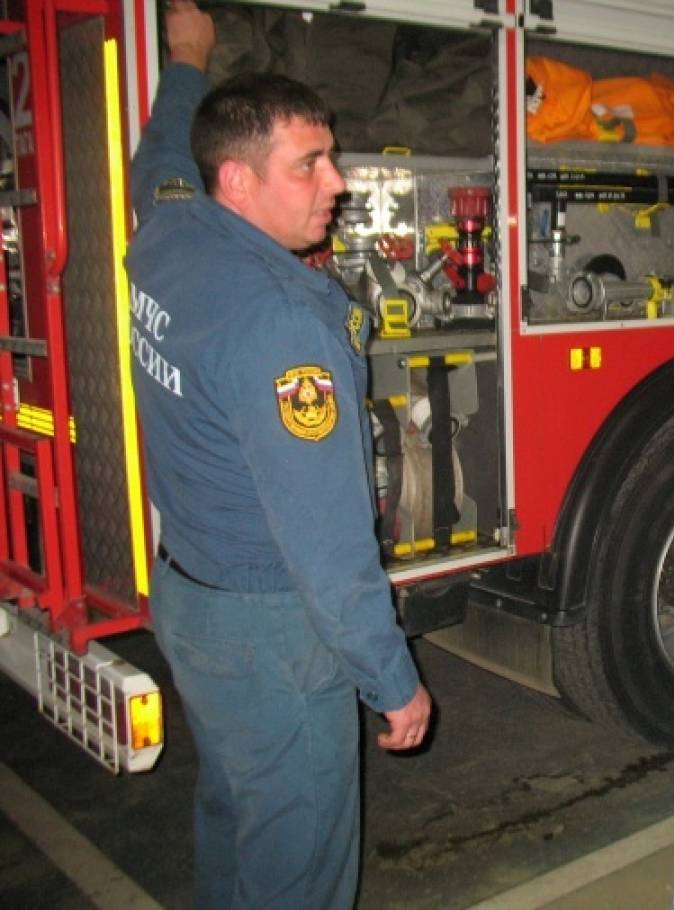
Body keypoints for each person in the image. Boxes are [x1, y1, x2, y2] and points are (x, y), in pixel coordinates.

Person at [126, 4, 431, 906]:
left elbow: (160, 157)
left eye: (329, 157)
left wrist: (186, 60)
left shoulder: (167, 235)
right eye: (309, 165)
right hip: (271, 631)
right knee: (297, 865)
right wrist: (394, 681)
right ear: (237, 182)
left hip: (190, 600)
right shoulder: (284, 324)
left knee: (238, 818)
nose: (336, 182)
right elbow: (329, 547)